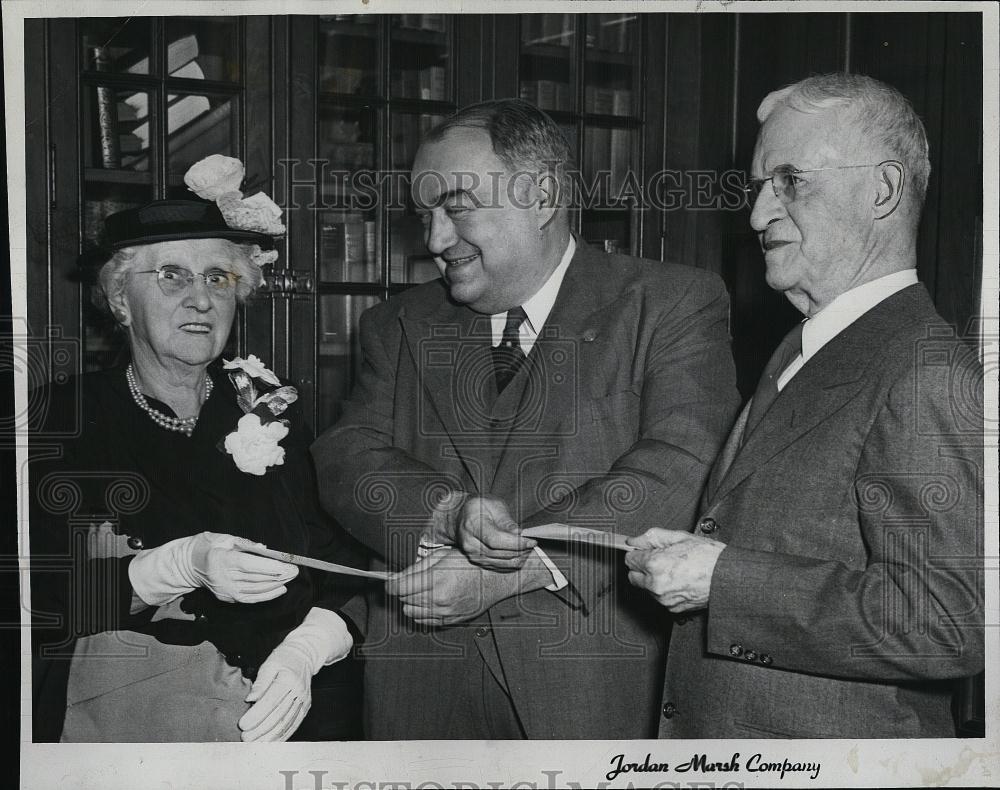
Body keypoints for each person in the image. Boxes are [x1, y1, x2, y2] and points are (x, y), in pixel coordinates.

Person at [311, 98, 740, 739]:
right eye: (425, 214)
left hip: (591, 689)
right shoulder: (397, 324)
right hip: (424, 694)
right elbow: (347, 455)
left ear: (540, 197)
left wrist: (516, 566)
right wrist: (445, 513)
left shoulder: (670, 303)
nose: (433, 241)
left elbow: (683, 462)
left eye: (456, 208)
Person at [626, 73, 984, 738]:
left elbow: (948, 622)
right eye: (760, 187)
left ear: (883, 190)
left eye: (790, 180)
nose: (758, 215)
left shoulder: (925, 371)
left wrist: (723, 580)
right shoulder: (806, 345)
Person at [29, 155, 365, 742]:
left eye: (218, 277)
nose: (201, 299)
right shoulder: (62, 419)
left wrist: (310, 649)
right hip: (135, 723)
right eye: (171, 276)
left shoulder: (274, 407)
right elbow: (35, 594)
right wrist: (175, 565)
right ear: (118, 300)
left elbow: (342, 563)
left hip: (286, 717)